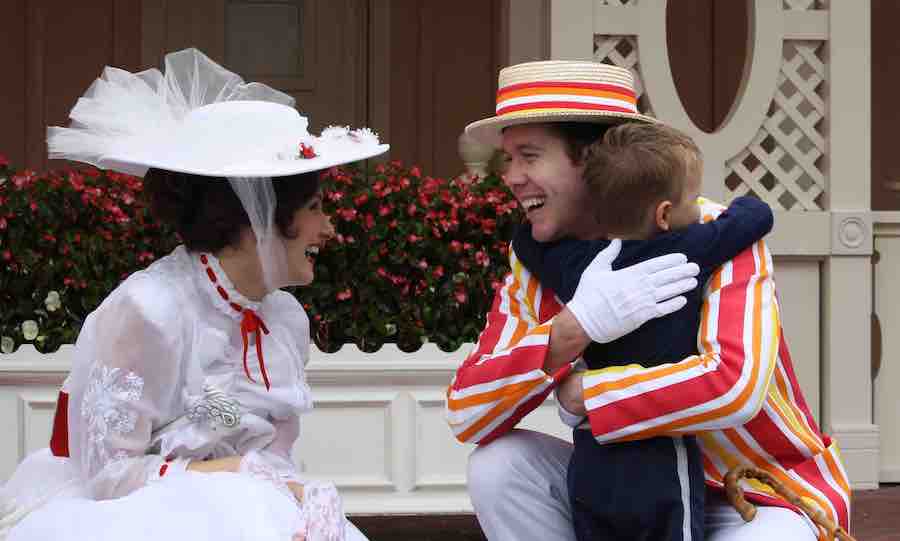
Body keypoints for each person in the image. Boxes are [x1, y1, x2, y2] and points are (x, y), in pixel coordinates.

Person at [448, 60, 850, 541]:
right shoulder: (536, 258)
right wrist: (576, 326)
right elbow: (468, 411)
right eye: (507, 159)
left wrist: (586, 395)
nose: (511, 177)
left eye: (528, 156)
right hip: (629, 490)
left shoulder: (712, 233)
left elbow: (733, 386)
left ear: (593, 160)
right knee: (498, 467)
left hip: (756, 493)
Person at [0, 48, 388, 541]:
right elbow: (108, 476)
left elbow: (267, 454)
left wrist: (291, 489)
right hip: (140, 514)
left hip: (239, 511)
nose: (329, 227)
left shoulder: (284, 319)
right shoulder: (152, 309)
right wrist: (237, 478)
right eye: (314, 206)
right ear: (256, 217)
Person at [513, 121, 774, 541]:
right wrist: (727, 209)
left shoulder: (576, 267)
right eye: (691, 199)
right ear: (665, 214)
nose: (698, 207)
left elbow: (527, 243)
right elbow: (755, 216)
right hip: (661, 455)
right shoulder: (688, 250)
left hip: (592, 457)